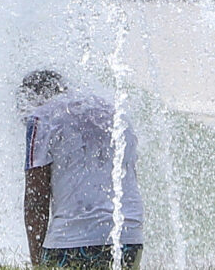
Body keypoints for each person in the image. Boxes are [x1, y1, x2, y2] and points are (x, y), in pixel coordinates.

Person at [19, 69, 143, 269]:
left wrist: (37, 262)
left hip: (72, 242)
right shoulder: (113, 112)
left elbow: (36, 198)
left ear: (30, 99)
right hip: (128, 237)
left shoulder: (41, 118)